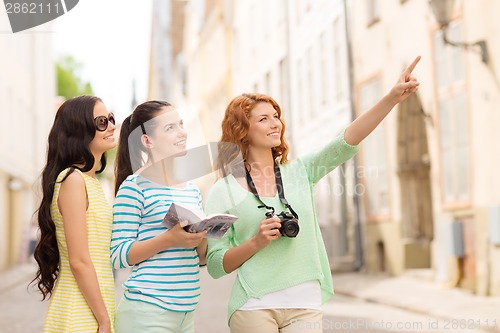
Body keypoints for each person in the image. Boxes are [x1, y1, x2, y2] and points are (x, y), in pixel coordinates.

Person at [206, 56, 421, 332]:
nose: (276, 124)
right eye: (264, 119)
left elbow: (345, 142)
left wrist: (391, 98)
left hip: (304, 302)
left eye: (276, 117)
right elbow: (215, 264)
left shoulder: (301, 172)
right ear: (243, 131)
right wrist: (255, 243)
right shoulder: (221, 192)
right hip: (253, 304)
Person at [112, 100, 207, 333]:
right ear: (147, 140)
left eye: (180, 124)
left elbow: (201, 259)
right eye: (170, 128)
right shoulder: (134, 187)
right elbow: (118, 256)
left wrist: (203, 235)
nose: (181, 132)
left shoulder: (192, 189)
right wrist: (169, 239)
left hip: (186, 313)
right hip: (147, 312)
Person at [32, 95, 117, 333]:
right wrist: (103, 320)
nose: (111, 126)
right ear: (79, 130)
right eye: (101, 121)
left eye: (111, 118)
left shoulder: (90, 183)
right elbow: (78, 260)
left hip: (95, 307)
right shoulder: (73, 180)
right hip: (80, 312)